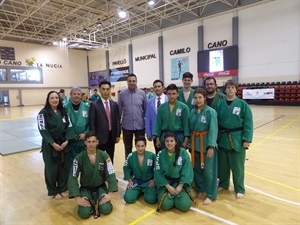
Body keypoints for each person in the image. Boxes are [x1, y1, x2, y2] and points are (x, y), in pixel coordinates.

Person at [215, 79, 253, 199]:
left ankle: (239, 188)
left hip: (237, 138)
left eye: (232, 87)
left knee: (237, 166)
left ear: (236, 89)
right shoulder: (219, 104)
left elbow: (248, 123)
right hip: (222, 138)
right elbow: (215, 122)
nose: (230, 89)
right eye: (228, 87)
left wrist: (246, 139)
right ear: (224, 89)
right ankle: (223, 184)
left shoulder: (242, 104)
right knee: (223, 165)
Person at [68, 131, 118, 219]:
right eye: (89, 142)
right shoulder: (78, 158)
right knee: (83, 213)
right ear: (85, 142)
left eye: (93, 141)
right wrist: (77, 198)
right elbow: (72, 177)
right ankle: (91, 202)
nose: (91, 144)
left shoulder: (105, 156)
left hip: (101, 188)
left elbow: (111, 174)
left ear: (97, 142)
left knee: (106, 209)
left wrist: (109, 194)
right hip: (85, 189)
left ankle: (97, 201)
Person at [37, 91, 76, 200]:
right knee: (51, 168)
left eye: (56, 98)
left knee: (64, 167)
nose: (55, 100)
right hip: (50, 145)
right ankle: (53, 190)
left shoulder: (63, 112)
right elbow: (43, 129)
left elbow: (69, 126)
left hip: (64, 143)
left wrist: (67, 140)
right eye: (52, 98)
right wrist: (53, 144)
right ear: (48, 100)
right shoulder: (43, 113)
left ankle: (63, 188)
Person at [190, 88, 218, 205]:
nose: (197, 100)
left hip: (206, 144)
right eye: (195, 98)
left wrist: (211, 146)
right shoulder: (192, 112)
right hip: (195, 144)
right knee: (197, 169)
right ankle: (200, 189)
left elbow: (213, 129)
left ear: (205, 98)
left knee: (209, 171)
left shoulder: (210, 112)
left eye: (200, 97)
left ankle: (211, 194)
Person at [154, 132, 194, 212]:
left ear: (176, 142)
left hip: (180, 183)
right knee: (164, 205)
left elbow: (187, 170)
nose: (169, 143)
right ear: (164, 142)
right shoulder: (160, 154)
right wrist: (168, 186)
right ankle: (173, 198)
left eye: (171, 141)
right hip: (166, 183)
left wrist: (180, 186)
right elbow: (158, 173)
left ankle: (177, 197)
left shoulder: (183, 153)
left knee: (185, 206)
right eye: (167, 141)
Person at [89, 80, 121, 164]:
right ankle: (99, 176)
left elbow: (117, 120)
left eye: (107, 89)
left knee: (110, 158)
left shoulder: (114, 104)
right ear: (99, 90)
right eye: (103, 89)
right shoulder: (94, 105)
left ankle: (110, 175)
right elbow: (92, 123)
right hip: (99, 138)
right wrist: (94, 138)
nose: (105, 91)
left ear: (110, 90)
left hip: (112, 136)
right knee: (99, 159)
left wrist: (118, 134)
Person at [118, 74, 147, 158]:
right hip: (126, 126)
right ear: (127, 82)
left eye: (133, 81)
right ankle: (129, 166)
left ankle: (141, 165)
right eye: (130, 81)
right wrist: (119, 127)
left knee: (141, 148)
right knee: (128, 149)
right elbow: (119, 111)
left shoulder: (142, 94)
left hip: (140, 126)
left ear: (136, 82)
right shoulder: (122, 94)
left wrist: (146, 125)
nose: (132, 83)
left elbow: (146, 110)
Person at [153, 84, 190, 150]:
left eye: (173, 94)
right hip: (165, 137)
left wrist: (186, 140)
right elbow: (158, 124)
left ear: (177, 94)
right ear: (166, 94)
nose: (171, 96)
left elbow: (186, 125)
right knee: (166, 158)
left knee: (178, 159)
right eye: (169, 94)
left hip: (178, 137)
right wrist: (157, 139)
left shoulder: (183, 107)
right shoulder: (162, 107)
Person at [123, 136, 157, 204]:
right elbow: (126, 167)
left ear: (145, 146)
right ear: (135, 146)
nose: (140, 148)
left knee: (151, 199)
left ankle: (145, 191)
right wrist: (129, 180)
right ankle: (139, 191)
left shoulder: (152, 156)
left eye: (142, 146)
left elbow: (157, 169)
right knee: (128, 198)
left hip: (148, 182)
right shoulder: (131, 156)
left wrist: (154, 180)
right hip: (136, 182)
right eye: (138, 146)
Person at [64, 86, 90, 163]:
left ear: (81, 95)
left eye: (78, 94)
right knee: (71, 166)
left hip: (83, 141)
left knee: (84, 164)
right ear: (70, 95)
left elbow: (91, 123)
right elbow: (63, 125)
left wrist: (85, 134)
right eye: (74, 94)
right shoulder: (65, 108)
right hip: (70, 142)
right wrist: (70, 135)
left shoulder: (87, 107)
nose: (76, 96)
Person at [145, 79, 168, 154]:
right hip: (155, 132)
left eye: (159, 86)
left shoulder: (169, 99)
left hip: (168, 131)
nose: (157, 88)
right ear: (153, 88)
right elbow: (147, 118)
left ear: (163, 88)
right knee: (158, 153)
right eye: (155, 87)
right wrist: (148, 133)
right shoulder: (150, 102)